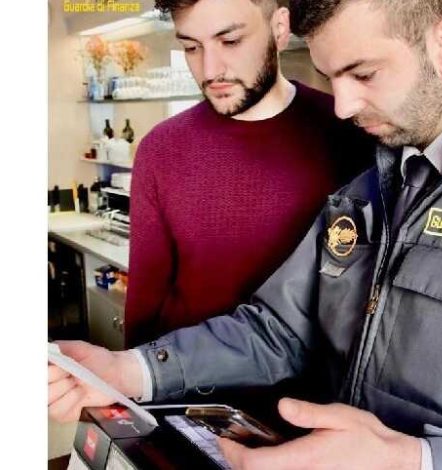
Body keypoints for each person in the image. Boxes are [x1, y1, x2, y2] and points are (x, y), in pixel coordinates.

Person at [50, 0, 442, 468]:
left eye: (363, 73)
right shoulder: (374, 184)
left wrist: (411, 461)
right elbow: (280, 330)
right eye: (330, 78)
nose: (343, 106)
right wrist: (130, 369)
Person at [124, 0, 373, 346]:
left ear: (280, 29)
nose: (210, 70)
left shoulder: (351, 134)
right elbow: (143, 309)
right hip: (188, 377)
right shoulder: (161, 149)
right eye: (191, 47)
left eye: (230, 41)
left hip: (314, 378)